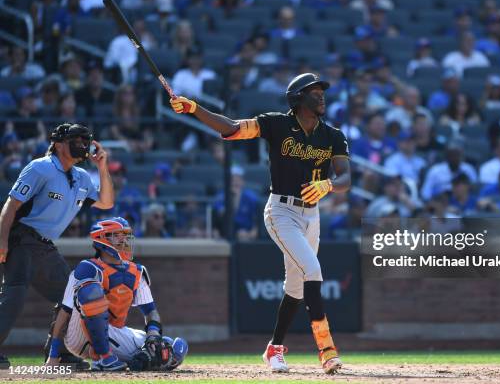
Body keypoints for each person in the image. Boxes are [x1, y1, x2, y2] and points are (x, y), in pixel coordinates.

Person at [170, 72, 350, 374]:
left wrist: (329, 185)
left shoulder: (332, 135)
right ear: (297, 98)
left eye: (322, 91)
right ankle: (327, 350)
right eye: (314, 92)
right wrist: (194, 109)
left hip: (312, 214)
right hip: (281, 212)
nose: (321, 96)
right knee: (313, 270)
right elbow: (231, 128)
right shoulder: (276, 124)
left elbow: (346, 177)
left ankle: (274, 349)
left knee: (295, 287)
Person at [0, 123, 113, 369]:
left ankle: (59, 353)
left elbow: (106, 202)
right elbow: (11, 206)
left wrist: (102, 167)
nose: (83, 145)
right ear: (59, 143)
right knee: (14, 295)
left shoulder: (82, 176)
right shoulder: (40, 167)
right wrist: (2, 242)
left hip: (45, 246)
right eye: (77, 139)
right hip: (22, 239)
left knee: (72, 295)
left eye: (86, 141)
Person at [44, 217, 188, 371]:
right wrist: (53, 356)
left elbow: (151, 312)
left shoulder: (137, 271)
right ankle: (104, 359)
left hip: (114, 332)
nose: (124, 239)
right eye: (117, 234)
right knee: (90, 291)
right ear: (101, 238)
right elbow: (64, 312)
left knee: (169, 348)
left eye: (125, 234)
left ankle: (140, 361)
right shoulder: (88, 267)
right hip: (79, 336)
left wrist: (153, 337)